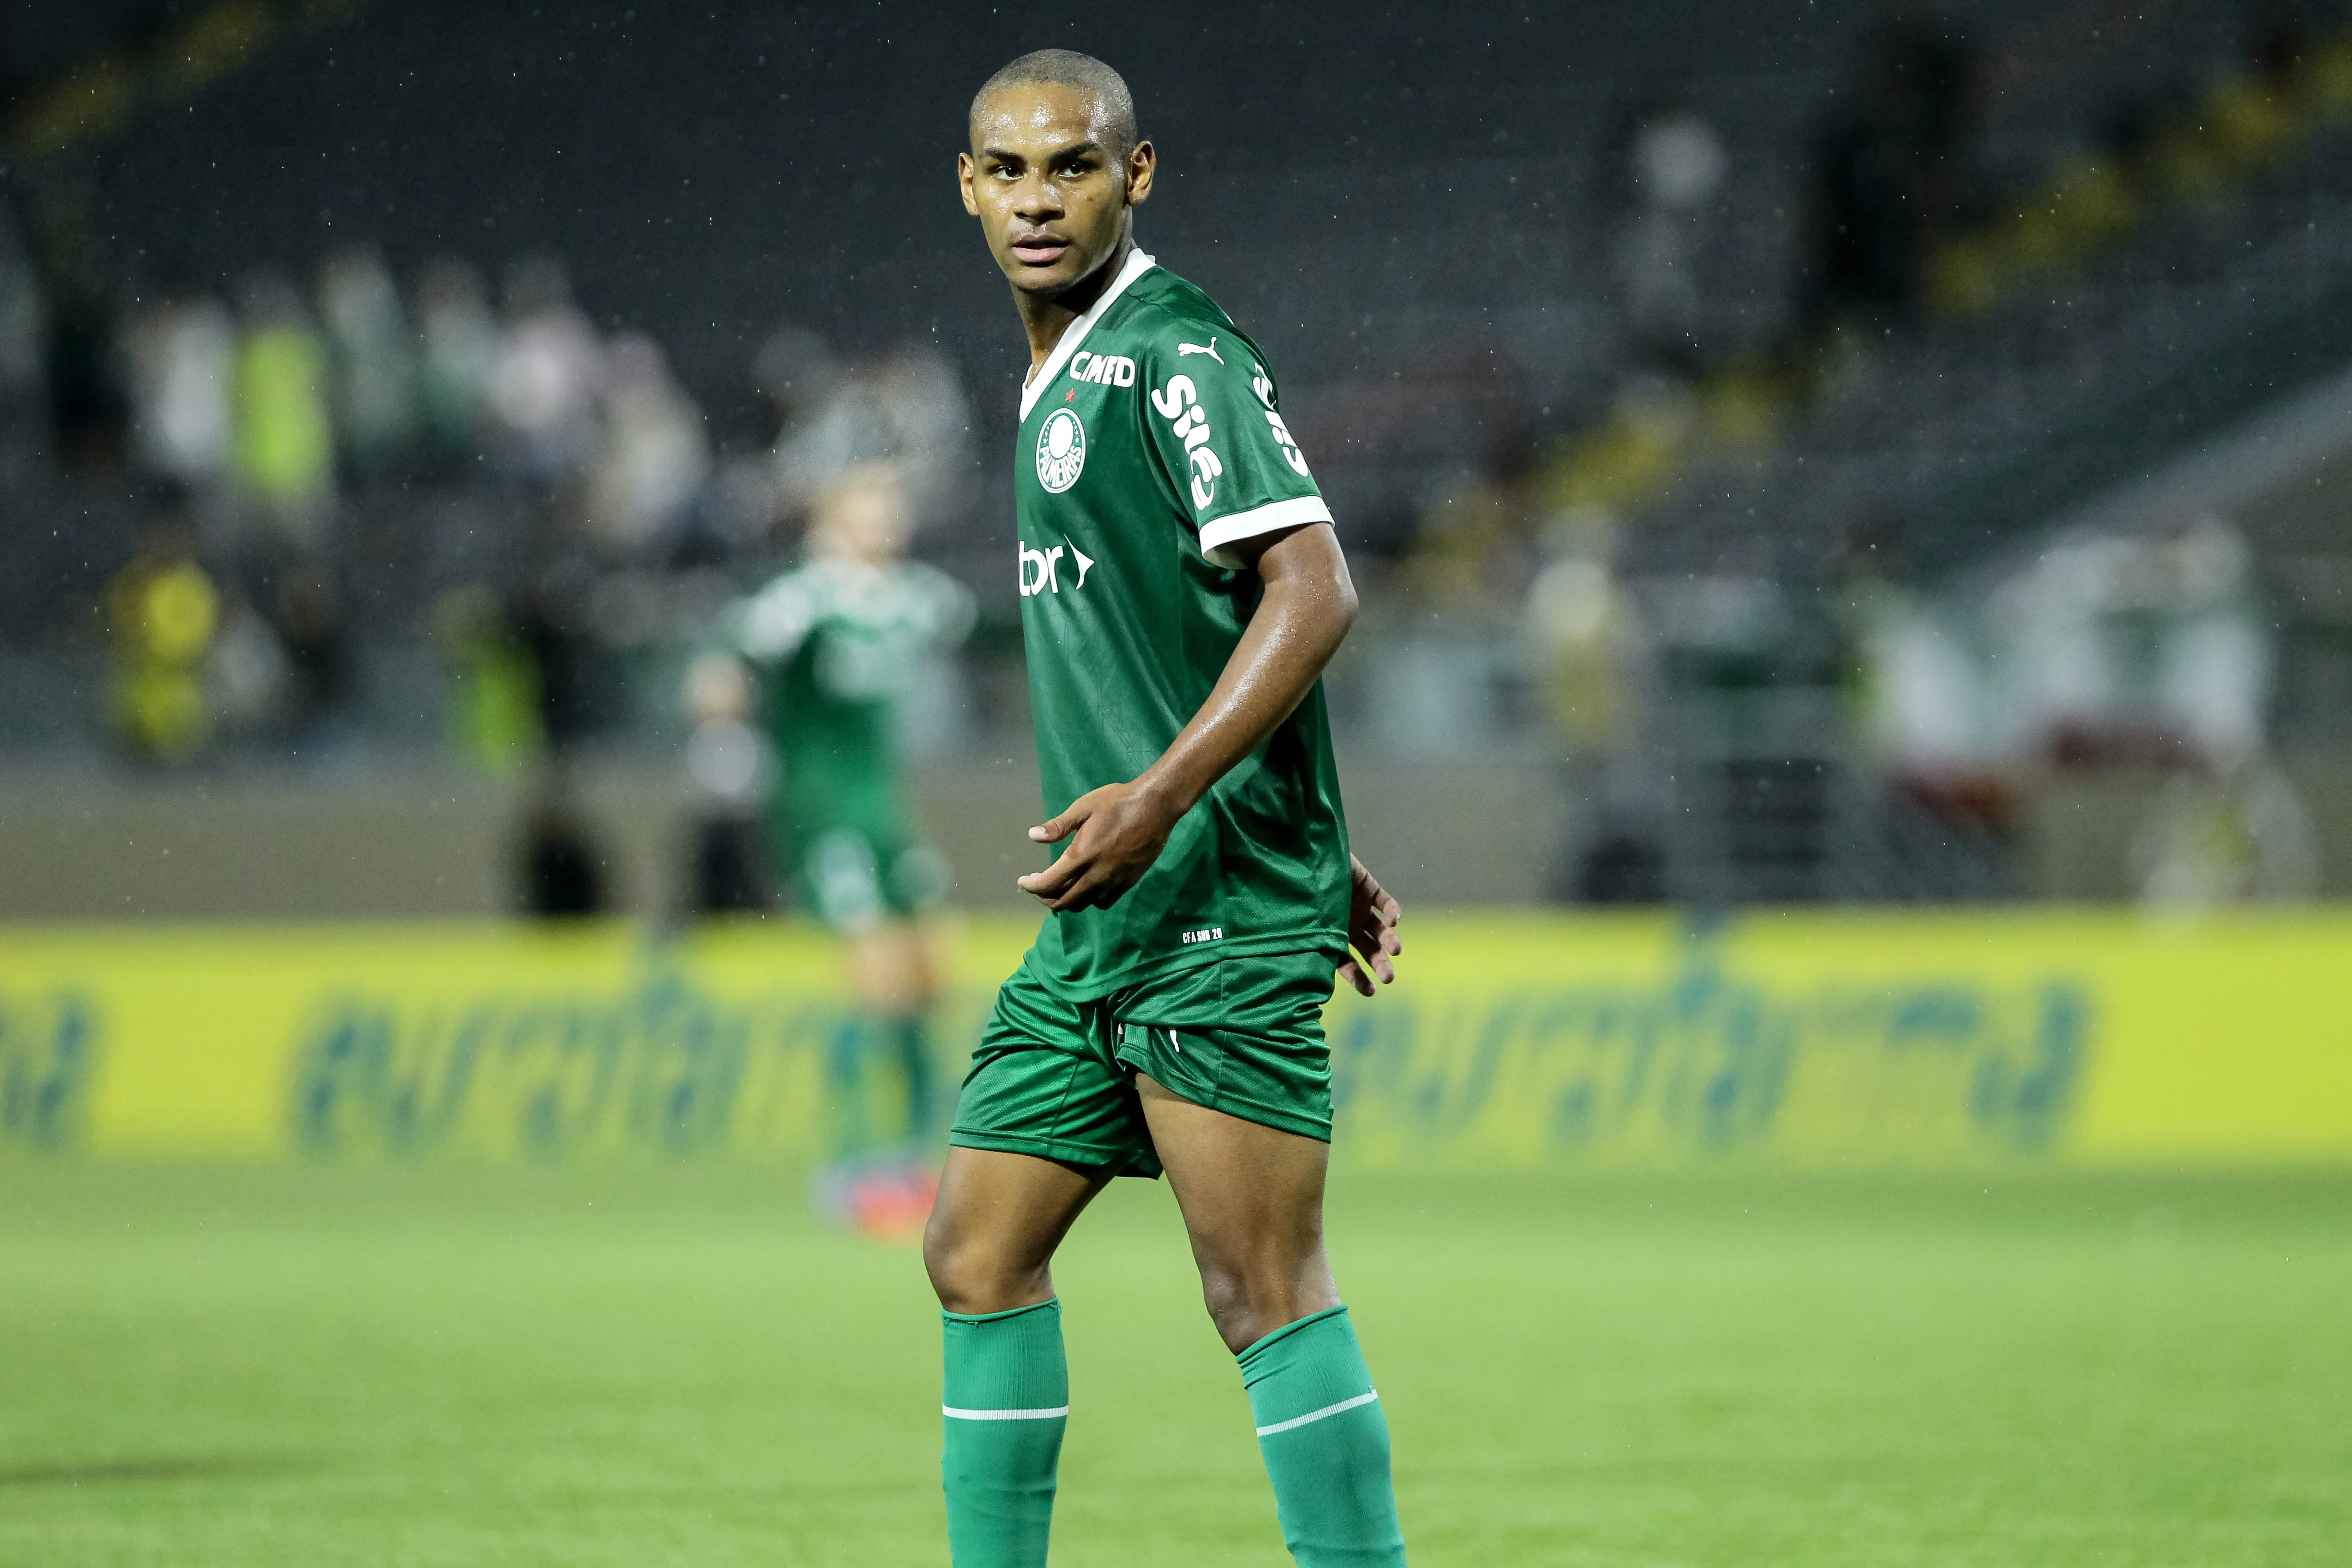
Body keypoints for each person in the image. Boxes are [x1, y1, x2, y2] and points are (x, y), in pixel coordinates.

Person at [922, 50, 1409, 1568]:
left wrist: (1188, 802)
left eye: (1071, 166)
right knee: (974, 1254)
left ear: (1137, 176)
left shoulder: (1175, 350)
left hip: (1206, 905)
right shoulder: (1056, 361)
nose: (1035, 200)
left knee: (1260, 1285)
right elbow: (1184, 634)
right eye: (1005, 170)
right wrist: (1317, 828)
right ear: (967, 186)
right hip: (1112, 896)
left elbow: (1314, 584)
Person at [715, 461, 974, 1230]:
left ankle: (918, 1162)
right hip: (821, 811)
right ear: (831, 520)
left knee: (931, 978)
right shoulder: (807, 597)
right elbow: (735, 647)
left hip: (887, 812)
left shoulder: (909, 597)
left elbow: (986, 619)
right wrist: (719, 693)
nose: (886, 522)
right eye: (870, 508)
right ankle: (854, 1167)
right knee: (876, 983)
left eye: (892, 508)